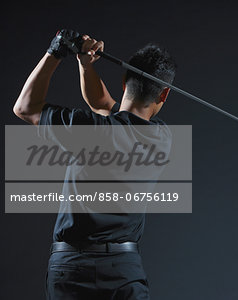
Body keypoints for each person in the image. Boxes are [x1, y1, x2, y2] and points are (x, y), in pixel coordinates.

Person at [13, 29, 176, 300]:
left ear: (124, 83)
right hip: (124, 270)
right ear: (164, 94)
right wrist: (85, 64)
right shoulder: (162, 138)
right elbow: (102, 103)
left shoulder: (90, 129)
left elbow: (25, 108)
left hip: (71, 267)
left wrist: (56, 52)